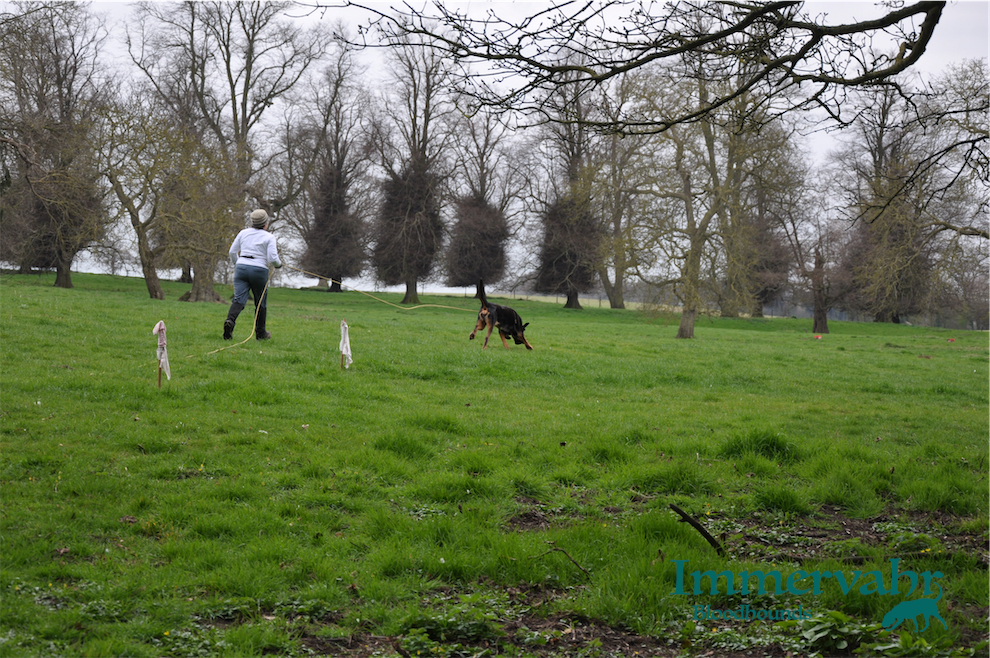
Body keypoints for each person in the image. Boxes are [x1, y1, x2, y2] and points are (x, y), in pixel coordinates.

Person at [223, 209, 282, 340]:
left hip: (241, 267)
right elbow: (273, 258)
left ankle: (230, 322)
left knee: (238, 299)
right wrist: (279, 265)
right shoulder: (269, 237)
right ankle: (260, 334)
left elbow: (232, 252)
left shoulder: (243, 233)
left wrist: (238, 264)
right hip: (259, 270)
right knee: (260, 302)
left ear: (252, 222)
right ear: (265, 224)